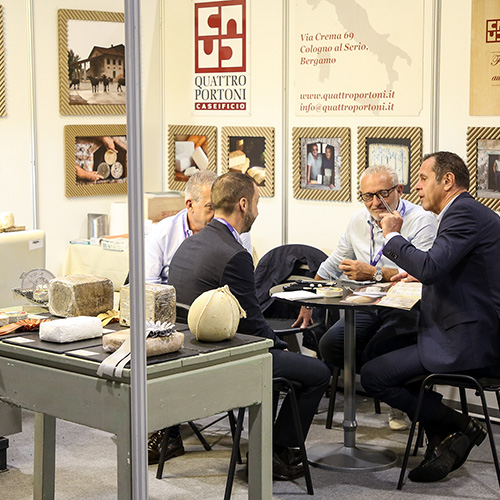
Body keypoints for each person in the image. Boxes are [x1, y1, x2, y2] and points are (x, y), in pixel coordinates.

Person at [168, 172, 331, 481]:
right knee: (318, 373)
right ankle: (277, 452)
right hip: (223, 360)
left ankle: (269, 449)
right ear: (243, 204)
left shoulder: (190, 243)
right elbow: (254, 326)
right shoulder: (234, 254)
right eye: (256, 201)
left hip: (189, 354)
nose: (258, 208)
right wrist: (280, 344)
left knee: (284, 363)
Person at [361, 151, 500, 482]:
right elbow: (442, 269)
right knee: (377, 348)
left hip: (469, 341)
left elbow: (430, 265)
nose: (417, 186)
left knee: (372, 375)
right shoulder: (465, 212)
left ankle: (459, 425)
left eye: (423, 178)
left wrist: (392, 235)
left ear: (447, 180)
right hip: (456, 327)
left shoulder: (463, 213)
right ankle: (443, 436)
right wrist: (420, 275)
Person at [293, 164, 437, 430]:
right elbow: (334, 262)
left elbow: (423, 272)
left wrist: (376, 273)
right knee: (331, 345)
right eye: (367, 196)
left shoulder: (421, 220)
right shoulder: (358, 219)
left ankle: (400, 393)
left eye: (382, 193)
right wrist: (308, 298)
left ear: (399, 191)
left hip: (407, 305)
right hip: (368, 304)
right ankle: (395, 387)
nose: (375, 202)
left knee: (380, 350)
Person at [144, 170, 251, 465]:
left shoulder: (234, 232)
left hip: (216, 318)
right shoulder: (163, 233)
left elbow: (238, 285)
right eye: (209, 206)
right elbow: (148, 287)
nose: (216, 211)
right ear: (189, 204)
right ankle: (168, 429)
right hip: (170, 320)